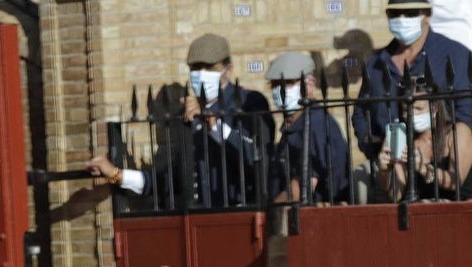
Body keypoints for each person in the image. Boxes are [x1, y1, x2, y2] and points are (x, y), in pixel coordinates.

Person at [86, 33, 274, 209]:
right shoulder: (189, 114)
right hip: (198, 219)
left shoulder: (250, 102)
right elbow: (175, 179)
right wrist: (117, 175)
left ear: (228, 69)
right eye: (195, 68)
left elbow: (257, 159)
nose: (201, 73)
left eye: (209, 67)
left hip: (242, 215)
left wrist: (213, 123)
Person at [353, 0, 472, 165]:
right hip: (390, 169)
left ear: (427, 15)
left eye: (410, 13)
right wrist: (374, 149)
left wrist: (435, 146)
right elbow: (361, 112)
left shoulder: (455, 55)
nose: (401, 19)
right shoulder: (375, 63)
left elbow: (466, 113)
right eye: (395, 14)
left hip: (442, 166)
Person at [265, 52, 350, 205]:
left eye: (288, 83)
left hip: (316, 217)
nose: (280, 89)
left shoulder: (316, 124)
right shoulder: (294, 124)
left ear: (309, 85)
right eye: (275, 84)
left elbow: (303, 187)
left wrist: (268, 213)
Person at [377, 79, 472, 199]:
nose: (412, 114)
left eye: (418, 109)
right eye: (407, 110)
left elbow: (455, 182)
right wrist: (384, 170)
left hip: (456, 207)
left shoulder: (457, 131)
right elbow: (396, 195)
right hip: (418, 211)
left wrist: (424, 169)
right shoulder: (401, 136)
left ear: (435, 108)